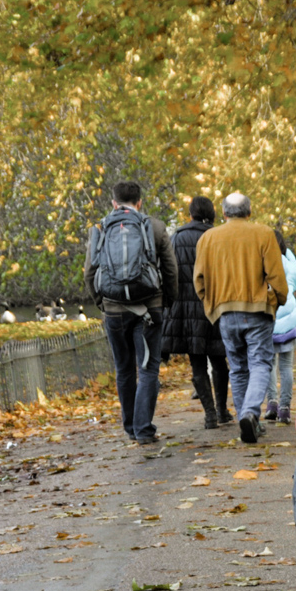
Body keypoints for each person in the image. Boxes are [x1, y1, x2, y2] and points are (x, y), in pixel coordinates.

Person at [84, 181, 178, 445]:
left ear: (114, 203)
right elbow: (171, 270)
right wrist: (167, 301)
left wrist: (101, 303)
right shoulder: (155, 226)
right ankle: (144, 429)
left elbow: (89, 272)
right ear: (139, 202)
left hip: (114, 309)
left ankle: (130, 427)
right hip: (150, 306)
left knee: (124, 370)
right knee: (148, 369)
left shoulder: (100, 228)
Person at [193, 191, 287, 444]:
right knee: (260, 364)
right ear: (249, 211)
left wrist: (210, 303)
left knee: (237, 367)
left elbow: (199, 280)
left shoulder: (208, 238)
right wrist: (279, 298)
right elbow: (277, 276)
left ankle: (247, 418)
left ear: (223, 213)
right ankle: (250, 413)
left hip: (225, 311)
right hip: (257, 310)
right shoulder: (264, 233)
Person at [161, 195, 231, 430]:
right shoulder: (218, 237)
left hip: (185, 309)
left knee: (197, 363)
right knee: (220, 360)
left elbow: (168, 273)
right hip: (214, 305)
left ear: (189, 214)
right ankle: (222, 411)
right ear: (212, 214)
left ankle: (209, 414)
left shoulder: (177, 238)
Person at [264, 229, 296, 425]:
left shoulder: (262, 262)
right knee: (286, 366)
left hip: (268, 319)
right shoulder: (287, 263)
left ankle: (271, 403)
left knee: (269, 365)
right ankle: (285, 409)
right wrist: (287, 253)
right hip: (288, 320)